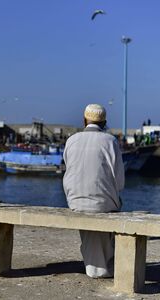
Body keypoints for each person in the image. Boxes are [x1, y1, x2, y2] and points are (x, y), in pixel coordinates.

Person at [62, 104, 125, 278]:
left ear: (84, 120)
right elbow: (120, 183)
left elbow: (68, 169)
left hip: (75, 201)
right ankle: (102, 265)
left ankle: (95, 264)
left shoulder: (71, 140)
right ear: (104, 123)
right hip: (103, 203)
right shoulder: (110, 141)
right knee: (109, 205)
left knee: (89, 213)